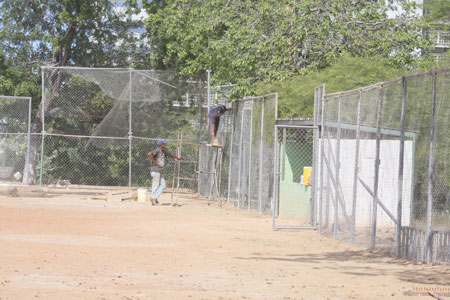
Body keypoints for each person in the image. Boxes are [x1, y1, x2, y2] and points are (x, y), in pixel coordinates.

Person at [148, 140, 181, 205]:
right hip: (155, 170)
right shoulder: (157, 150)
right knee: (158, 185)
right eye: (164, 144)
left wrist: (177, 157)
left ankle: (154, 199)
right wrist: (154, 162)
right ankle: (154, 198)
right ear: (161, 145)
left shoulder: (163, 151)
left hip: (159, 171)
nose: (165, 144)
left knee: (161, 185)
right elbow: (149, 154)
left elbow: (169, 155)